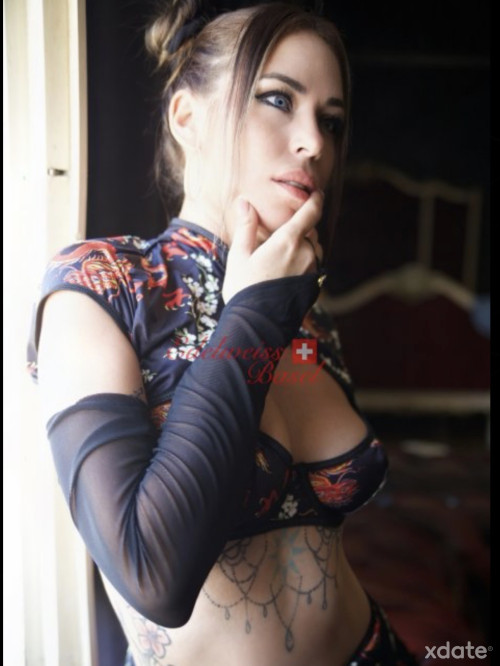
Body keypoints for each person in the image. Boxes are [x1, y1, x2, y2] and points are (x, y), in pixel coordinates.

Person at [27, 1, 420, 664]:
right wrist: (254, 314)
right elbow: (153, 573)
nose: (314, 143)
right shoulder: (101, 286)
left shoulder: (310, 311)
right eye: (278, 99)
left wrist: (281, 305)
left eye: (330, 120)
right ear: (186, 116)